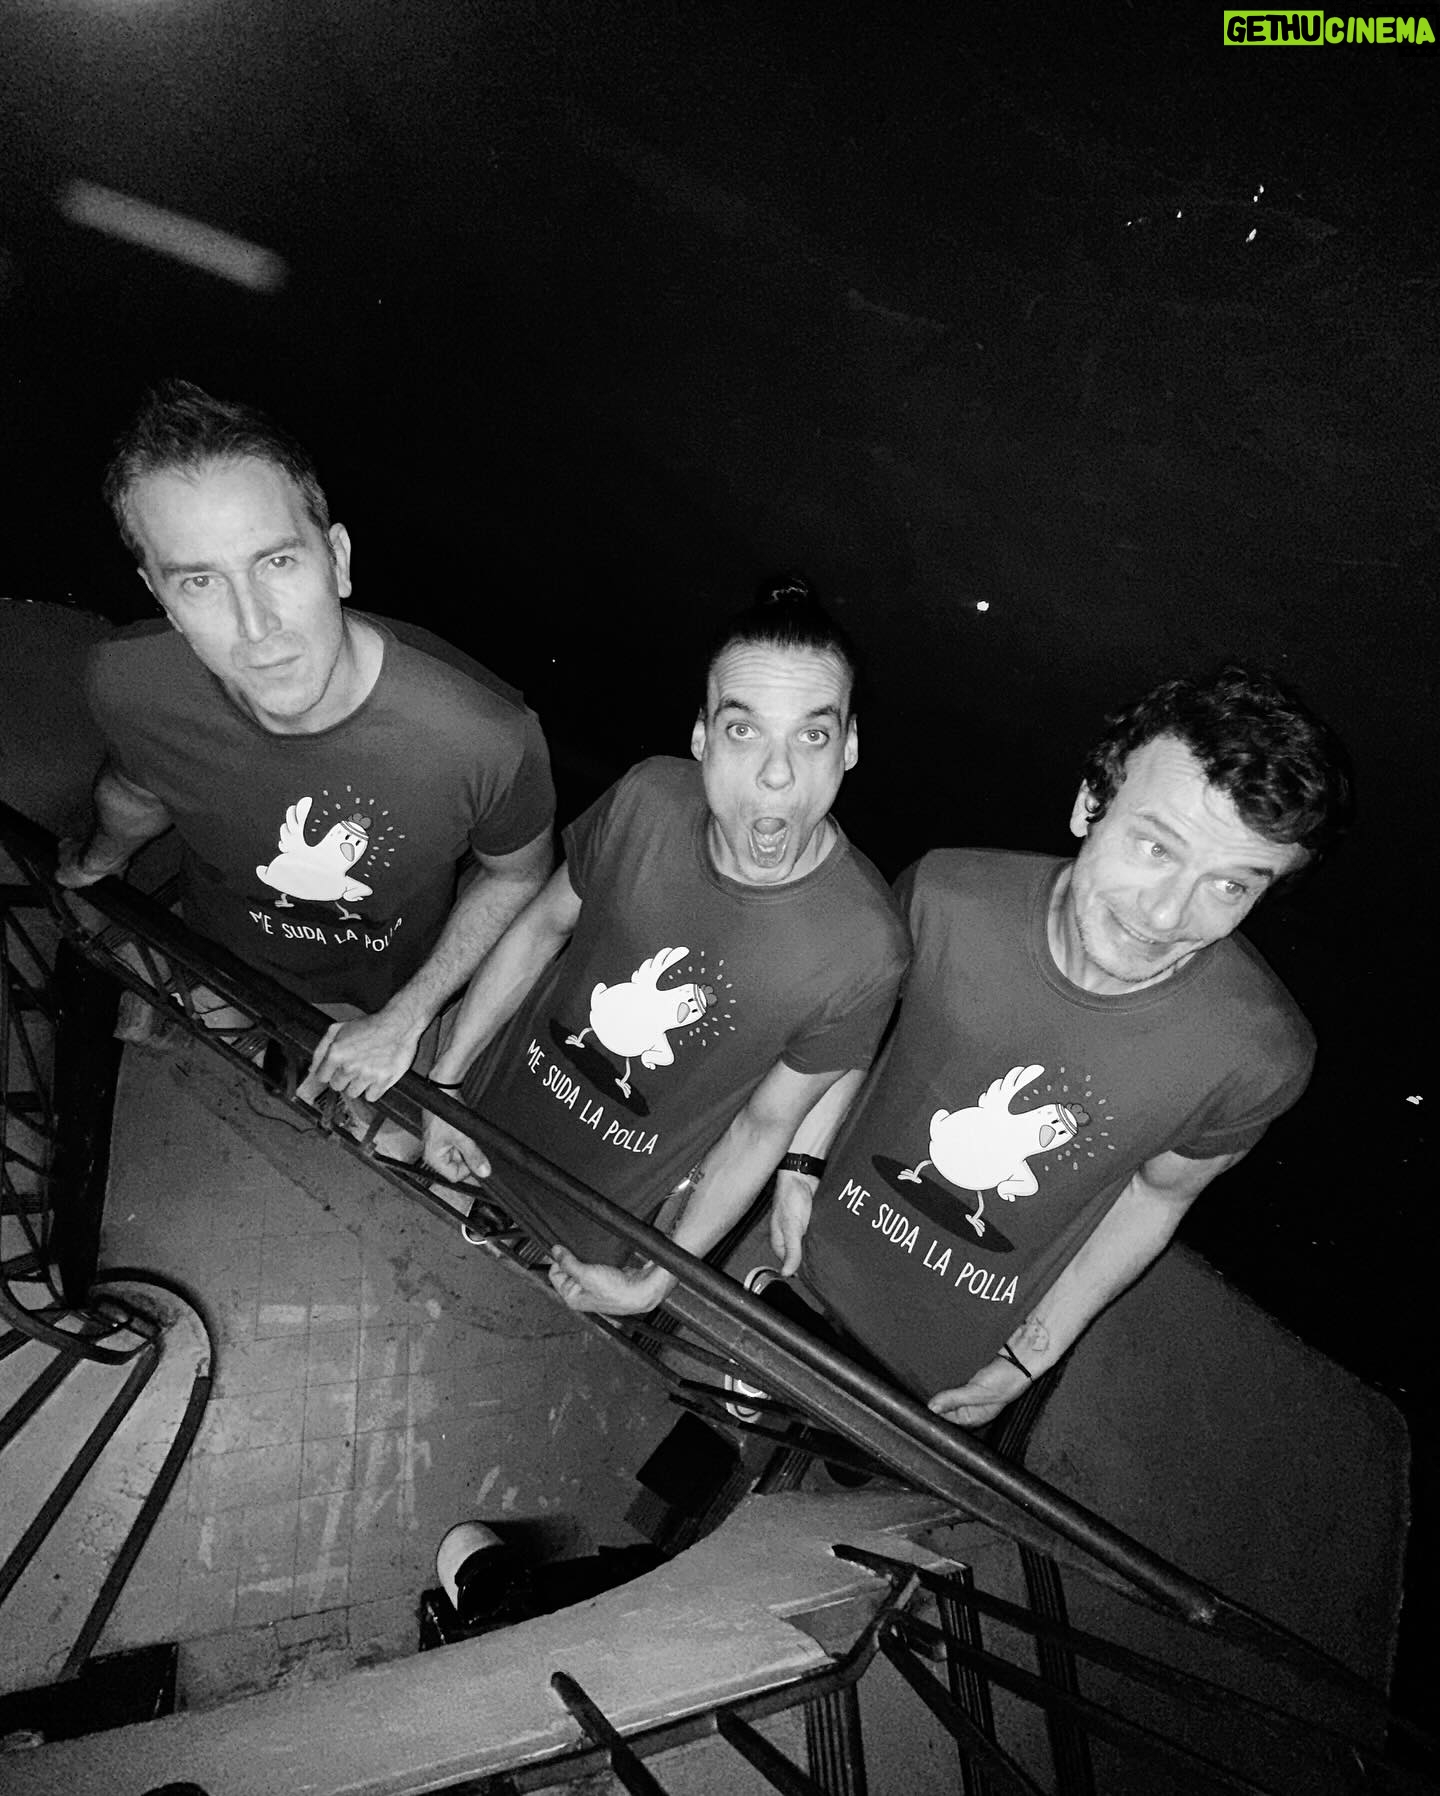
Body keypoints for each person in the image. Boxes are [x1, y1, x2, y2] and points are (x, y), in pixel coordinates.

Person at [756, 666, 1350, 1430]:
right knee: (759, 1369)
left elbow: (1158, 1196)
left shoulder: (1257, 1055)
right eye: (1155, 846)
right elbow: (852, 1032)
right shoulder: (944, 897)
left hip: (959, 1353)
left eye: (1230, 885)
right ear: (1089, 805)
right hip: (816, 1245)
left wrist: (1027, 1358)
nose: (1166, 914)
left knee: (856, 1465)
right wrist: (801, 1163)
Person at [56, 379, 555, 1104]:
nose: (257, 627)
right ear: (160, 596)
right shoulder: (129, 680)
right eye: (200, 581)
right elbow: (137, 787)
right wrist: (97, 864)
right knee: (215, 1021)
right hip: (222, 946)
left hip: (379, 985)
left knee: (373, 1127)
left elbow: (517, 876)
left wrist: (408, 1016)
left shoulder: (483, 737)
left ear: (338, 560)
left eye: (278, 562)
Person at [420, 580, 910, 1287]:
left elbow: (763, 1127)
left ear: (849, 747)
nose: (777, 774)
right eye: (743, 730)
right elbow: (541, 928)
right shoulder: (647, 798)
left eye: (812, 735)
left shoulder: (865, 948)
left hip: (604, 1228)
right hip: (482, 1122)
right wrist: (445, 1085)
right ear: (701, 737)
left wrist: (654, 1281)